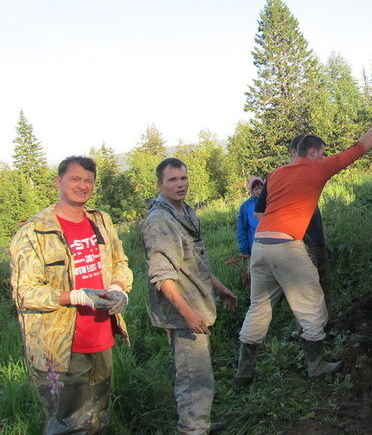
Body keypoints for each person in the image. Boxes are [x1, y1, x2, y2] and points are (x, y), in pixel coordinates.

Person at [234, 108, 372, 384]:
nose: (323, 157)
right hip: (287, 246)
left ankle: (243, 373)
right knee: (311, 305)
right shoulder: (317, 168)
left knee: (258, 308)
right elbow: (361, 147)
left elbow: (261, 214)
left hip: (260, 245)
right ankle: (316, 366)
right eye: (321, 152)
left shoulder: (276, 173)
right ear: (311, 153)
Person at [10, 155, 133, 435]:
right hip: (60, 347)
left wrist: (118, 288)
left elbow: (120, 263)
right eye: (75, 179)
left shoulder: (101, 221)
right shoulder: (34, 232)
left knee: (98, 418)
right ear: (58, 182)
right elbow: (25, 293)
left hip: (101, 335)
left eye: (88, 180)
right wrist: (74, 297)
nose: (82, 186)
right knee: (70, 424)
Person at [142, 158, 238, 435]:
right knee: (192, 376)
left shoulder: (185, 212)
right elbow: (161, 275)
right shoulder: (159, 221)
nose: (180, 184)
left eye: (183, 178)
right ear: (160, 184)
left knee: (201, 373)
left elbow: (196, 261)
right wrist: (187, 312)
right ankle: (192, 429)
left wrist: (218, 286)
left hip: (197, 303)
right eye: (172, 180)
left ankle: (200, 423)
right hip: (183, 312)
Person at [253, 136, 331, 306]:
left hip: (316, 237)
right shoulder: (277, 176)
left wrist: (321, 231)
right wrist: (291, 233)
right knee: (303, 290)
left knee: (323, 281)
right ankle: (307, 328)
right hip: (293, 244)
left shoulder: (310, 172)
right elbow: (259, 212)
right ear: (294, 152)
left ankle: (325, 323)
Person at [236, 177, 264, 258]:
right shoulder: (246, 207)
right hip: (255, 248)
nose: (259, 191)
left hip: (271, 245)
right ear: (251, 191)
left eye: (261, 188)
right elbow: (241, 229)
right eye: (256, 189)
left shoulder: (269, 202)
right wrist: (244, 250)